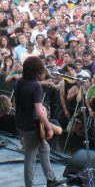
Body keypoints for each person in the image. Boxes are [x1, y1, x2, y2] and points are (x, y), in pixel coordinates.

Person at [14, 56, 60, 187]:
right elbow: (40, 112)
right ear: (37, 70)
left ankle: (50, 178)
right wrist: (49, 128)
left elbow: (15, 104)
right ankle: (30, 185)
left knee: (44, 147)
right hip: (32, 126)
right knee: (30, 157)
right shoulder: (36, 87)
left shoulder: (19, 82)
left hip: (20, 123)